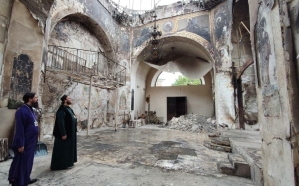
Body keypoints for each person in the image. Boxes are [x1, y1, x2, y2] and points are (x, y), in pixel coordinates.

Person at [8, 92, 39, 185]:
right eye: (36, 97)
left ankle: (26, 178)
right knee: (22, 161)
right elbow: (19, 129)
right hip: (25, 142)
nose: (37, 99)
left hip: (31, 141)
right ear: (30, 99)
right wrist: (20, 143)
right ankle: (18, 180)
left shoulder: (31, 110)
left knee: (28, 161)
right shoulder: (21, 111)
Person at [50, 95, 77, 170]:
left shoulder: (68, 109)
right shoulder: (62, 110)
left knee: (67, 149)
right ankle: (59, 165)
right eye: (69, 98)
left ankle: (67, 163)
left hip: (70, 133)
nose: (70, 99)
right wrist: (63, 133)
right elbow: (60, 122)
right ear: (65, 100)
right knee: (61, 149)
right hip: (64, 134)